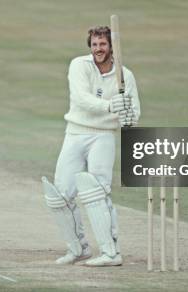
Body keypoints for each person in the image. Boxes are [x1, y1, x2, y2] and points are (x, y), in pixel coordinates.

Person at [42, 26, 141, 267]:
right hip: (76, 132)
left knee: (97, 192)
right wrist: (110, 106)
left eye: (103, 44)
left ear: (111, 47)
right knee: (60, 195)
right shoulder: (79, 65)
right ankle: (78, 249)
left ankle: (111, 252)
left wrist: (127, 115)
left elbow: (134, 113)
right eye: (95, 44)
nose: (98, 49)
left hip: (104, 136)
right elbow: (80, 98)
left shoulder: (125, 75)